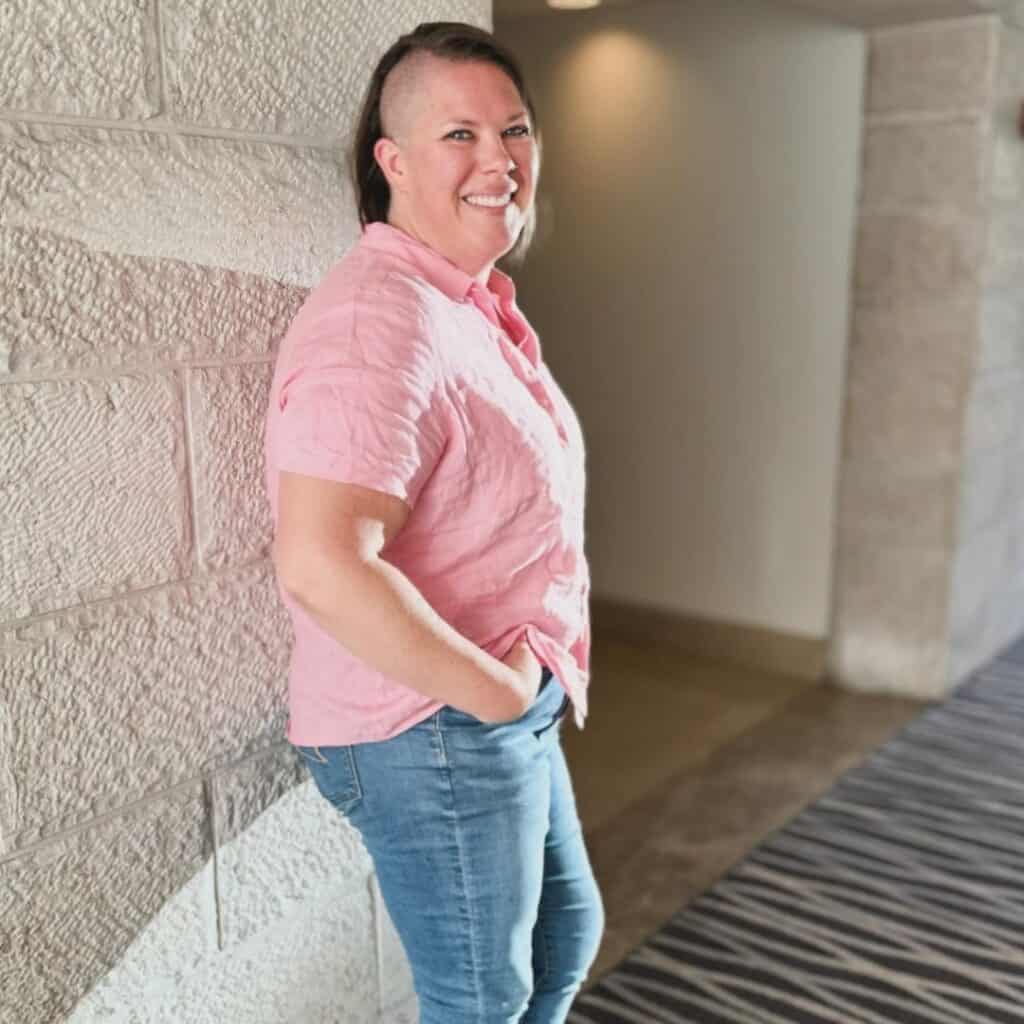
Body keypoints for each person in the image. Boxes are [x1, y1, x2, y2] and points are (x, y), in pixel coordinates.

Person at [263, 21, 603, 1024]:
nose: (499, 159)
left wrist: (519, 688)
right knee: (481, 1002)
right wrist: (497, 694)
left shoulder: (462, 302)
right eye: (461, 134)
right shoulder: (381, 319)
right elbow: (322, 562)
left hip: (495, 698)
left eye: (515, 130)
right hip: (432, 721)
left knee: (560, 940)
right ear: (393, 161)